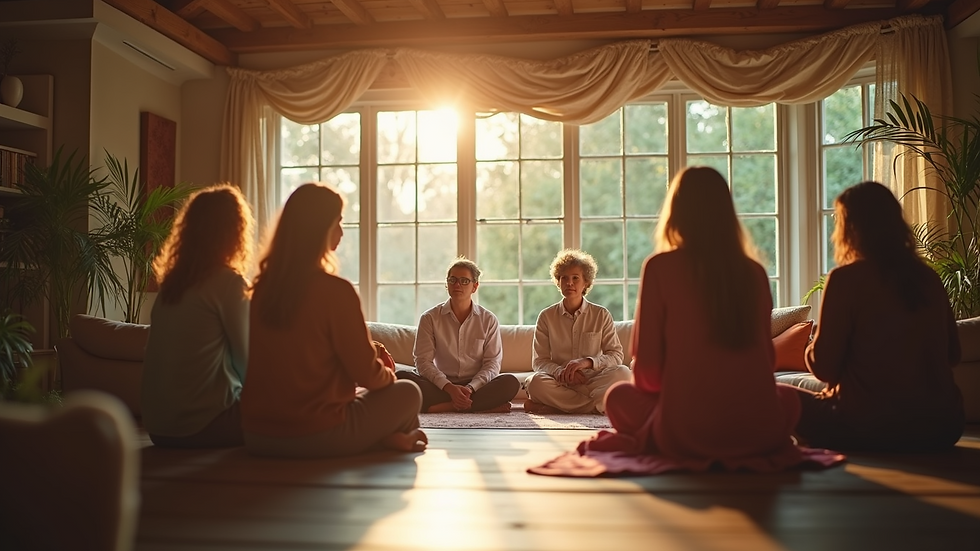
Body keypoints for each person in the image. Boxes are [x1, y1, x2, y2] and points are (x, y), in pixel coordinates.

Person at [602, 166, 804, 470]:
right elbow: (765, 366)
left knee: (618, 396)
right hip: (759, 431)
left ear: (676, 213)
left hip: (686, 432)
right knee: (790, 398)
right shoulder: (755, 273)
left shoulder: (660, 267)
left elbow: (647, 377)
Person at [241, 182, 427, 458]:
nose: (341, 231)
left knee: (373, 399)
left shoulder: (260, 291)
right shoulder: (335, 291)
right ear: (319, 229)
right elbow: (367, 375)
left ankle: (389, 440)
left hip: (258, 436)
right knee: (408, 392)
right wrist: (387, 374)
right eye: (337, 222)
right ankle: (392, 439)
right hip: (316, 435)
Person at [793, 181, 964, 451]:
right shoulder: (928, 278)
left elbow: (824, 369)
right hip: (943, 427)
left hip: (865, 427)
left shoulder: (845, 279)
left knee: (777, 396)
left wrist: (811, 345)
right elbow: (953, 354)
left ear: (851, 229)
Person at [142, 184, 253, 448]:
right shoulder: (229, 283)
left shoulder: (171, 285)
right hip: (205, 426)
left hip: (159, 429)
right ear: (234, 233)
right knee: (295, 410)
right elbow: (247, 360)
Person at [398, 257, 521, 413]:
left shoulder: (488, 320)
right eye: (453, 280)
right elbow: (423, 361)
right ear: (447, 284)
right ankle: (478, 406)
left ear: (475, 286)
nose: (457, 285)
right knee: (402, 378)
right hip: (441, 385)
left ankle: (446, 407)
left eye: (464, 281)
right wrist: (450, 388)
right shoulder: (430, 318)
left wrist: (470, 388)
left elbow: (492, 364)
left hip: (476, 387)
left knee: (510, 382)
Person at [524, 249, 631, 414]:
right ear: (557, 282)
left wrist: (587, 362)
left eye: (575, 278)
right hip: (562, 382)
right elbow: (539, 362)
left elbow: (616, 355)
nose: (569, 283)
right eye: (564, 278)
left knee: (624, 373)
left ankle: (558, 407)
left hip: (595, 380)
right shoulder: (546, 316)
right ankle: (596, 407)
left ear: (586, 282)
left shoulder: (601, 314)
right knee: (535, 382)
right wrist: (561, 372)